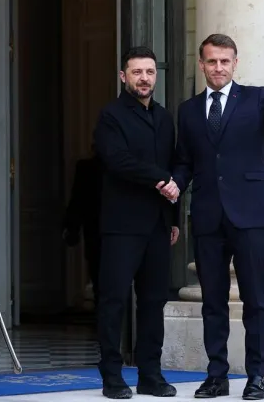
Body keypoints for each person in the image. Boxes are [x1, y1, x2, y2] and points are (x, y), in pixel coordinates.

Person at [161, 34, 264, 400]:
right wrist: (175, 184)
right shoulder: (188, 109)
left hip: (249, 213)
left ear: (235, 63)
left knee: (255, 298)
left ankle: (256, 376)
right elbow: (185, 161)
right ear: (201, 64)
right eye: (211, 61)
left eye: (225, 61)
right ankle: (217, 376)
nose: (218, 68)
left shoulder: (257, 97)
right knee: (212, 300)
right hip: (208, 216)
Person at [93, 46, 180, 399]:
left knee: (153, 302)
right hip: (122, 224)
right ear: (123, 76)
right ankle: (112, 376)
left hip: (158, 224)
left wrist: (173, 218)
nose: (144, 78)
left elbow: (174, 164)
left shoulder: (163, 117)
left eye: (149, 72)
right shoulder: (110, 115)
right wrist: (160, 179)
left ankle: (150, 374)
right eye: (137, 72)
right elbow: (118, 160)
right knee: (113, 301)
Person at [62, 146, 104, 307]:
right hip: (94, 228)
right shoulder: (86, 168)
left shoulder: (122, 168)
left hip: (108, 229)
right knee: (97, 273)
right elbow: (78, 199)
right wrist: (71, 227)